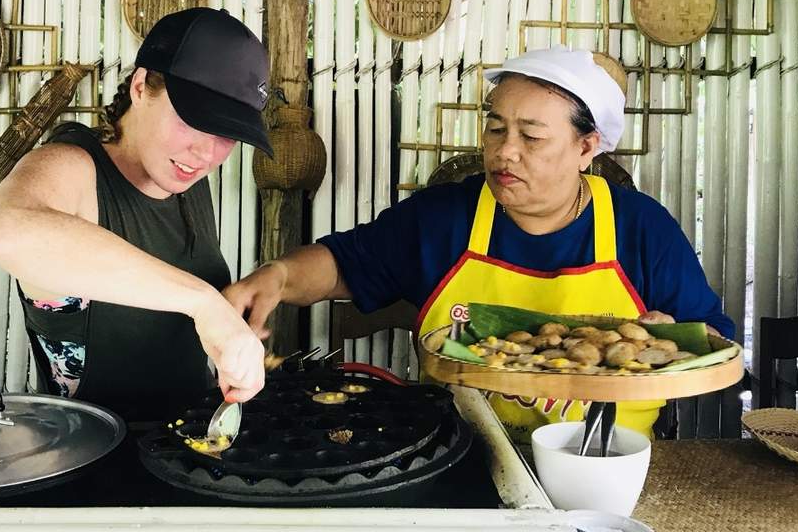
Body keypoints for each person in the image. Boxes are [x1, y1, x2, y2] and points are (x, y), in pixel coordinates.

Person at [225, 45, 735, 442]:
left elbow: (713, 339)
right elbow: (343, 263)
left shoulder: (641, 228)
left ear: (586, 147)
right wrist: (279, 276)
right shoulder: (447, 216)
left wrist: (670, 336)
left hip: (605, 462)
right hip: (463, 454)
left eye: (531, 137)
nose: (505, 152)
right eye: (495, 129)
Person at [0, 7, 270, 422]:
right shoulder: (73, 166)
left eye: (226, 134)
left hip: (187, 451)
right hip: (89, 465)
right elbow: (7, 231)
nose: (205, 154)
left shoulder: (184, 176)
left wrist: (233, 315)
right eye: (192, 121)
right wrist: (203, 304)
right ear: (139, 87)